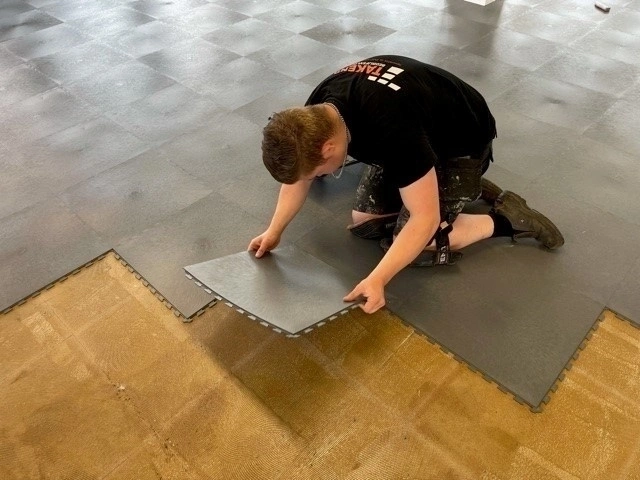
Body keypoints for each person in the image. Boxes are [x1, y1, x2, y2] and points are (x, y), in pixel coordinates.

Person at [248, 55, 564, 314]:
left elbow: (424, 220)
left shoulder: (391, 127)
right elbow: (297, 180)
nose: (312, 180)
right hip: (421, 131)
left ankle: (506, 217)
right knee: (365, 221)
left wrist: (377, 279)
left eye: (313, 174)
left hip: (461, 143)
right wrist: (273, 231)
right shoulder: (314, 114)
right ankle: (452, 188)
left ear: (327, 148)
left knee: (420, 241)